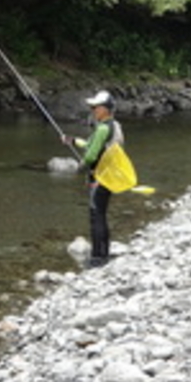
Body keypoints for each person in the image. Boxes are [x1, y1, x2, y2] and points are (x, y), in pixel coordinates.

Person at [62, 90, 125, 268]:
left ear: (106, 109)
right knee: (101, 215)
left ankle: (98, 258)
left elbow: (90, 155)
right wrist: (72, 141)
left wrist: (80, 166)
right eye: (92, 107)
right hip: (108, 177)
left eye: (96, 107)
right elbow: (91, 145)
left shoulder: (103, 128)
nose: (93, 109)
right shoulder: (114, 126)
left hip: (98, 179)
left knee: (96, 216)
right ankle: (103, 253)